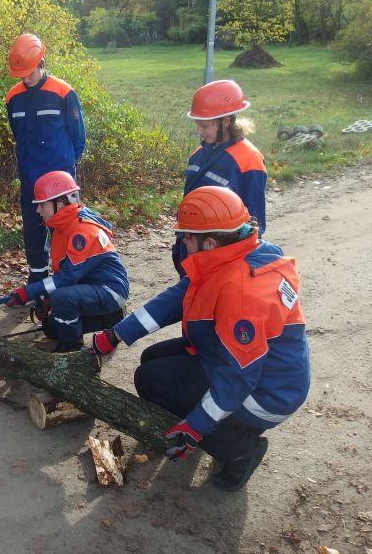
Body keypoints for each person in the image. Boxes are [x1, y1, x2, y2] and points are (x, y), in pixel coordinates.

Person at [87, 186, 310, 491]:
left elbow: (237, 378)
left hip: (264, 391)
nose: (182, 242)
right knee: (151, 359)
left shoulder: (241, 292)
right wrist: (116, 335)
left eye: (187, 237)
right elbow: (174, 300)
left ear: (210, 241)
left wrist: (196, 427)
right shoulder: (236, 254)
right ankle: (202, 422)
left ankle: (238, 450)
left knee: (151, 378)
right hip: (242, 361)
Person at [4, 171, 128, 352]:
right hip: (90, 286)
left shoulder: (82, 232)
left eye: (41, 205)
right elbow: (64, 272)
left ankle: (71, 349)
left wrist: (29, 292)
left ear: (60, 203)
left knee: (62, 299)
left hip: (110, 290)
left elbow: (68, 278)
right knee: (52, 327)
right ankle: (110, 318)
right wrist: (45, 298)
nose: (38, 210)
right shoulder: (64, 226)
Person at [6, 33, 86, 285]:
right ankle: (37, 277)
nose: (26, 78)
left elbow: (78, 136)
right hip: (30, 175)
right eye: (21, 74)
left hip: (60, 178)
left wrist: (66, 166)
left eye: (30, 72)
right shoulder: (12, 97)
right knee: (32, 228)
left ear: (41, 63)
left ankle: (66, 275)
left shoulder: (63, 92)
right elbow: (17, 133)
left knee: (63, 225)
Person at [173, 79, 267, 276]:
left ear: (225, 121)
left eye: (205, 126)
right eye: (198, 125)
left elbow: (254, 224)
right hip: (190, 249)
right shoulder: (199, 154)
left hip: (220, 260)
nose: (200, 131)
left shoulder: (248, 160)